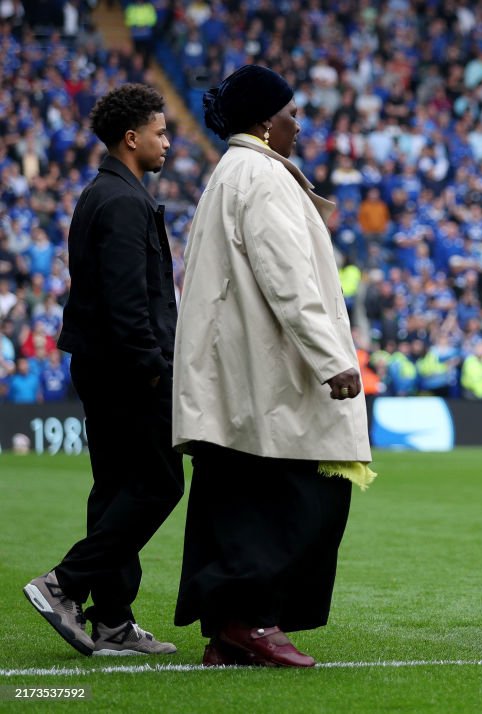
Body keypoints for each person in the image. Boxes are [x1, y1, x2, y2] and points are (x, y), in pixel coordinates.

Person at [172, 65, 373, 669]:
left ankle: (230, 630)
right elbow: (288, 279)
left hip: (240, 376)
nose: (299, 123)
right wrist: (332, 358)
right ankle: (254, 621)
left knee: (234, 501)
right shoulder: (260, 176)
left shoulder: (232, 171)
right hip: (267, 378)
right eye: (290, 113)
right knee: (294, 501)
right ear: (264, 121)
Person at [23, 84, 183, 657]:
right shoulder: (120, 201)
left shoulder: (109, 193)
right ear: (132, 137)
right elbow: (125, 303)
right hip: (126, 371)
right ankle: (64, 584)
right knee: (161, 484)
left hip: (104, 365)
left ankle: (112, 620)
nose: (168, 141)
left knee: (117, 488)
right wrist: (155, 371)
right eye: (161, 132)